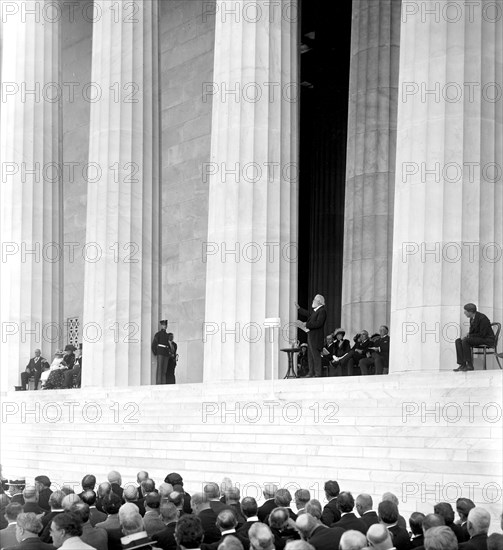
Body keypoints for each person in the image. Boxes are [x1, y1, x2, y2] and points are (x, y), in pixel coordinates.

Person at [454, 304, 495, 372]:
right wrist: (468, 334)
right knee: (458, 340)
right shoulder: (472, 318)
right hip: (480, 337)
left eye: (465, 311)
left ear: (470, 312)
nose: (464, 312)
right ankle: (462, 364)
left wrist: (469, 336)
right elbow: (473, 332)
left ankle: (469, 365)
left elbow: (483, 334)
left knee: (466, 341)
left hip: (487, 339)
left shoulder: (482, 318)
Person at [295, 295, 327, 378]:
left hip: (316, 337)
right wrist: (299, 309)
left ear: (319, 301)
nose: (313, 301)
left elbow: (319, 323)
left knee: (315, 355)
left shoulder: (322, 311)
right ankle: (311, 372)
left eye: (314, 300)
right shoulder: (316, 311)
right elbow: (309, 314)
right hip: (311, 335)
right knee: (310, 355)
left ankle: (317, 373)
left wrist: (306, 324)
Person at [152, 320, 171, 384]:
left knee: (164, 370)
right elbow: (154, 344)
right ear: (161, 326)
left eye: (165, 325)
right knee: (160, 369)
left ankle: (163, 384)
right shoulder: (158, 334)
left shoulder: (168, 335)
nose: (164, 326)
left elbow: (170, 345)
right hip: (160, 352)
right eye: (163, 325)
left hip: (166, 353)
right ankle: (159, 384)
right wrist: (155, 352)